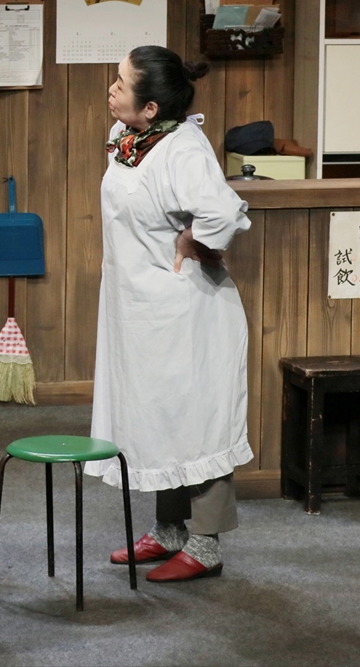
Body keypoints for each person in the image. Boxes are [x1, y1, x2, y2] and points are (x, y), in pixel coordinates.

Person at [85, 46, 253, 582]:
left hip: (186, 310)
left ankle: (205, 543)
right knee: (156, 415)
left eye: (121, 84)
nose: (111, 89)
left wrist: (194, 240)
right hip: (138, 308)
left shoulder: (183, 149)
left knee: (195, 420)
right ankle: (169, 530)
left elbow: (223, 212)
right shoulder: (127, 137)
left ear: (152, 107)